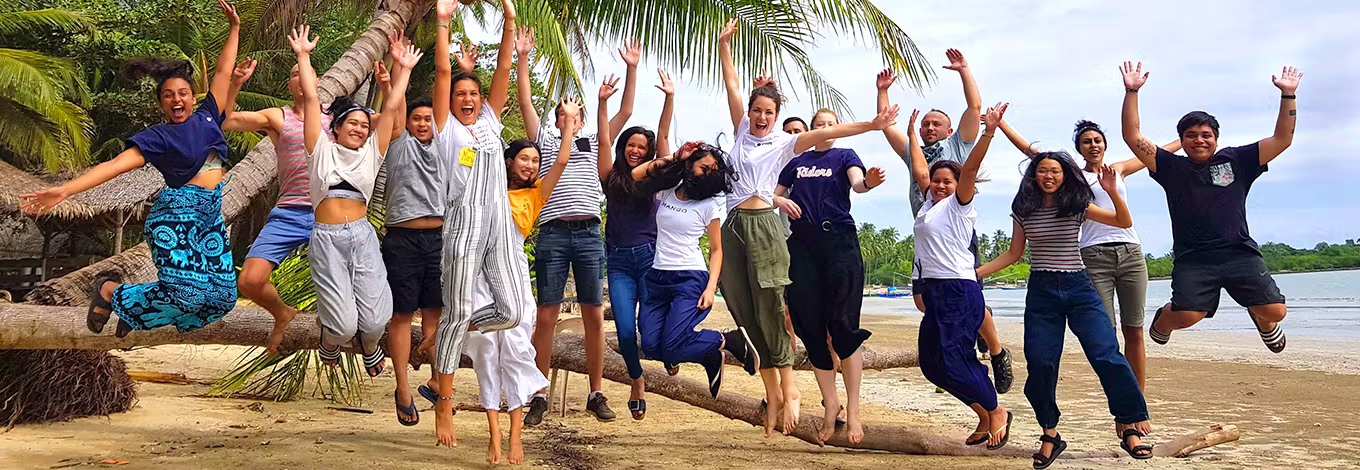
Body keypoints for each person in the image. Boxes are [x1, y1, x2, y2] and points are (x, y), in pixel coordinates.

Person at [717, 18, 899, 437]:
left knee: (789, 311)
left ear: (778, 117)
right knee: (745, 309)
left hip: (784, 230)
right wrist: (726, 46)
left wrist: (873, 124)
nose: (761, 117)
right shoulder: (744, 130)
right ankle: (779, 392)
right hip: (737, 226)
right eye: (757, 111)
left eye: (769, 113)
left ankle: (803, 394)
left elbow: (833, 132)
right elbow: (731, 86)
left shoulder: (788, 145)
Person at [21, 0, 244, 337]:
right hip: (175, 217)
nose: (177, 98)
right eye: (168, 95)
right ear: (161, 104)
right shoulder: (158, 137)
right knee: (188, 293)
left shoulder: (210, 117)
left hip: (209, 216)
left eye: (183, 92)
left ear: (193, 97)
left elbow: (224, 72)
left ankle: (135, 311)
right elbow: (115, 165)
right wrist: (65, 191)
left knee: (221, 299)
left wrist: (235, 28)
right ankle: (110, 291)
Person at [978, 152, 1154, 467]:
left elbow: (1123, 222)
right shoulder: (1023, 209)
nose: (1049, 176)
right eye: (1043, 171)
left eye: (1055, 171)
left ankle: (1129, 424)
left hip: (1079, 287)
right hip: (1042, 293)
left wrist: (1113, 190)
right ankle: (1050, 434)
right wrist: (975, 274)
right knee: (1042, 364)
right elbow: (1015, 253)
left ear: (1064, 176)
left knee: (1106, 354)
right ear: (1033, 176)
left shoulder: (1076, 205)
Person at [1119, 61, 1300, 354]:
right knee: (1189, 315)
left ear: (1215, 139)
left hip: (1239, 252)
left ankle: (1261, 319)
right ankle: (1163, 320)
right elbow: (1133, 136)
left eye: (1206, 135)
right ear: (1182, 140)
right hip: (1194, 258)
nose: (1199, 140)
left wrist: (1288, 95)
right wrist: (1131, 91)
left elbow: (1283, 139)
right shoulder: (1171, 167)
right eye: (1191, 135)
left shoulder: (1237, 160)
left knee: (1276, 311)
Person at [997, 117, 1182, 390]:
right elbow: (1033, 154)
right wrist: (1001, 126)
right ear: (1079, 148)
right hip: (1093, 255)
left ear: (1105, 145)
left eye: (1097, 140)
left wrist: (1185, 139)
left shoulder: (1118, 169)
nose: (1093, 145)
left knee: (1135, 330)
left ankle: (1137, 397)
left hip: (1131, 251)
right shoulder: (1073, 175)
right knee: (1107, 334)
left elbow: (1155, 154)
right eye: (1086, 142)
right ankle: (1121, 393)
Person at [518, 33, 642, 425]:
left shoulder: (594, 139)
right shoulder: (547, 140)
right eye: (562, 114)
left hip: (589, 233)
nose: (568, 119)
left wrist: (631, 69)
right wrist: (523, 58)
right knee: (547, 316)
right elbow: (524, 100)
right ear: (554, 119)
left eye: (575, 115)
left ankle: (596, 391)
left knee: (593, 315)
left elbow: (624, 112)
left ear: (585, 120)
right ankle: (538, 392)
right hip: (553, 232)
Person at [428, 0, 528, 448]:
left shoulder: (489, 121)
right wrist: (444, 21)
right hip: (464, 227)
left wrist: (509, 19)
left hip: (500, 229)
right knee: (462, 309)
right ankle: (443, 401)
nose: (467, 100)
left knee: (509, 312)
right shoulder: (446, 127)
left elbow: (504, 68)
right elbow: (444, 74)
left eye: (474, 95)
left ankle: (454, 327)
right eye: (460, 96)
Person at [878, 61, 1013, 394]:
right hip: (927, 238)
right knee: (923, 301)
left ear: (950, 130)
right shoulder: (916, 156)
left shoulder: (958, 146)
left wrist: (965, 70)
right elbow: (886, 128)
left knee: (967, 295)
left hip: (955, 234)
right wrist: (882, 91)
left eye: (935, 123)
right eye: (925, 124)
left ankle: (996, 351)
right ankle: (962, 344)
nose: (929, 127)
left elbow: (975, 107)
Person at [461, 95, 581, 463]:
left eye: (535, 160)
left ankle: (516, 436)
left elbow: (561, 159)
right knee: (484, 352)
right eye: (524, 158)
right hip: (478, 272)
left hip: (511, 271)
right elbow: (466, 155)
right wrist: (478, 118)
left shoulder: (536, 194)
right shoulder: (485, 183)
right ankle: (494, 435)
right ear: (508, 160)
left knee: (514, 350)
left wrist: (570, 125)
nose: (530, 165)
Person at [294, 26, 414, 377]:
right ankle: (331, 341)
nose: (361, 129)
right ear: (337, 127)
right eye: (354, 123)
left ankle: (371, 344)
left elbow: (391, 109)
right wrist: (304, 55)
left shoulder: (372, 154)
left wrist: (401, 69)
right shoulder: (320, 150)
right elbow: (313, 100)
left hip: (362, 236)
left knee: (377, 321)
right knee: (344, 326)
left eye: (365, 124)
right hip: (327, 239)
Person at [773, 108, 886, 444]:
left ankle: (853, 409)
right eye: (819, 125)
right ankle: (830, 403)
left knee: (843, 325)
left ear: (838, 129)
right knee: (809, 326)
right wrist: (780, 200)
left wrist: (869, 182)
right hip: (803, 244)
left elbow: (858, 184)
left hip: (839, 242)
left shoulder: (845, 155)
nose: (825, 129)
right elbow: (772, 192)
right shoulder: (797, 161)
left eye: (830, 124)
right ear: (811, 130)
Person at [223, 66, 352, 355]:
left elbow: (389, 125)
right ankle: (282, 313)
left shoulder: (337, 118)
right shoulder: (277, 117)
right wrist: (235, 84)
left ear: (316, 81)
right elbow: (227, 121)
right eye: (293, 73)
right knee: (249, 280)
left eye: (304, 72)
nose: (300, 77)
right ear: (290, 83)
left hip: (330, 212)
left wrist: (391, 82)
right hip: (289, 212)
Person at [910, 104, 1012, 450]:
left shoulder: (959, 205)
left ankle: (997, 412)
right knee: (932, 364)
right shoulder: (928, 204)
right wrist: (911, 133)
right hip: (936, 291)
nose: (939, 185)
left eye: (946, 181)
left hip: (958, 289)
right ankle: (982, 413)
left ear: (957, 186)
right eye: (937, 181)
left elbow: (969, 170)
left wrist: (989, 132)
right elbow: (921, 171)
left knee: (954, 359)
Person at [631, 141, 757, 398]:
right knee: (653, 346)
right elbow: (636, 174)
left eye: (714, 170)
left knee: (672, 345)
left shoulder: (710, 205)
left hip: (690, 278)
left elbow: (717, 250)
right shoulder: (667, 191)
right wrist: (677, 156)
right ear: (689, 165)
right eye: (704, 167)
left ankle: (727, 339)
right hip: (657, 278)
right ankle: (711, 353)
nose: (708, 174)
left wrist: (712, 288)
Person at [592, 63, 680, 420]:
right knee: (626, 331)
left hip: (650, 258)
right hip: (619, 262)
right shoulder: (609, 176)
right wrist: (601, 104)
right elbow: (601, 139)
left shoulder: (653, 179)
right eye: (631, 145)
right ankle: (636, 379)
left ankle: (672, 350)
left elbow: (663, 138)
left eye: (641, 148)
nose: (636, 150)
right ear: (624, 148)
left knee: (651, 328)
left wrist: (669, 98)